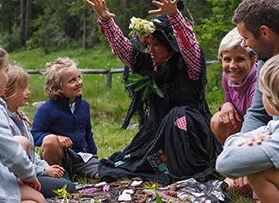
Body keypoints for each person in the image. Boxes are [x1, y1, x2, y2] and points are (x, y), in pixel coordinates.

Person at [85, 0, 222, 185]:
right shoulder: (149, 64)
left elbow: (189, 45)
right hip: (157, 132)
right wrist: (106, 20)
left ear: (169, 44)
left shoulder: (189, 65)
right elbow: (123, 49)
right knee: (128, 164)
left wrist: (174, 16)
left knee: (177, 115)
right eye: (147, 44)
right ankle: (161, 166)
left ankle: (186, 167)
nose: (150, 50)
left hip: (189, 131)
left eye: (155, 44)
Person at [0, 43, 45, 203]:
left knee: (21, 141)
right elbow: (11, 153)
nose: (7, 76)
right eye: (6, 71)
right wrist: (29, 176)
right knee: (38, 199)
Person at [231, 0, 279, 201]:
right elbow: (257, 112)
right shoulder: (264, 61)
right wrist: (245, 155)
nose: (244, 44)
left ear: (265, 32)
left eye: (246, 37)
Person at [3, 65, 75, 198]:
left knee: (65, 184)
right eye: (23, 89)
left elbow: (31, 154)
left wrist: (47, 167)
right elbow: (14, 160)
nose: (28, 92)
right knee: (68, 187)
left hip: (32, 171)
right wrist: (43, 171)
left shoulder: (21, 117)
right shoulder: (3, 121)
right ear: (8, 92)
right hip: (17, 177)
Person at [216, 54, 279, 203]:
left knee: (258, 173)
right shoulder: (274, 126)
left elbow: (225, 163)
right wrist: (249, 140)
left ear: (271, 99)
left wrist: (247, 142)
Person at [31, 57, 99, 181]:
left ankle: (79, 174)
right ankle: (61, 178)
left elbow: (88, 132)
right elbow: (34, 135)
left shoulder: (84, 106)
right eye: (72, 80)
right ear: (59, 87)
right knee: (50, 141)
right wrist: (57, 138)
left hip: (82, 156)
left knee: (104, 176)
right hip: (59, 156)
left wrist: (94, 154)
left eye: (79, 77)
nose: (78, 82)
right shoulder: (47, 109)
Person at [210, 27, 257, 145]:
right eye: (227, 59)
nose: (232, 66)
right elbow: (229, 98)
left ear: (253, 59)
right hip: (243, 123)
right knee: (217, 120)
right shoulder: (227, 77)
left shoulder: (257, 83)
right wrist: (226, 104)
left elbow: (257, 120)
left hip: (261, 130)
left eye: (239, 59)